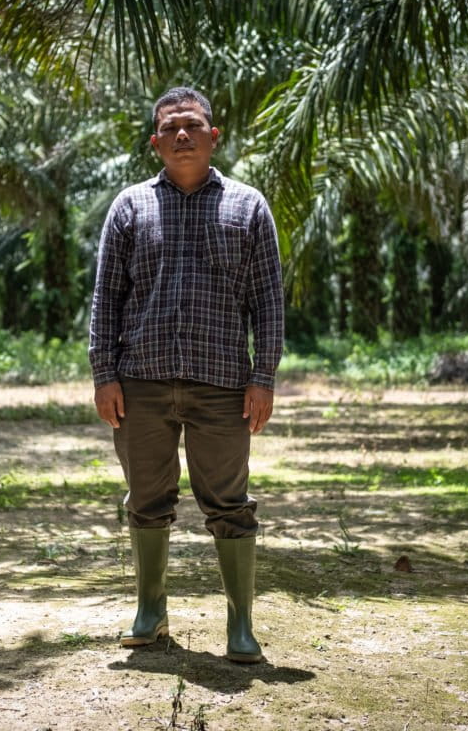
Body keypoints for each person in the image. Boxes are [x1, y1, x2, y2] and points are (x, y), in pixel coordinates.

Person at [88, 86, 284, 663]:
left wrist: (263, 377)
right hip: (140, 383)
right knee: (146, 499)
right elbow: (107, 298)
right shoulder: (129, 207)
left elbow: (268, 300)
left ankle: (240, 625)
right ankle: (150, 612)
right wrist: (105, 374)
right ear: (155, 142)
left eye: (192, 125)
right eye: (170, 127)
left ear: (213, 136)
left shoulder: (248, 207)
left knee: (228, 502)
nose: (181, 134)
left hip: (222, 384)